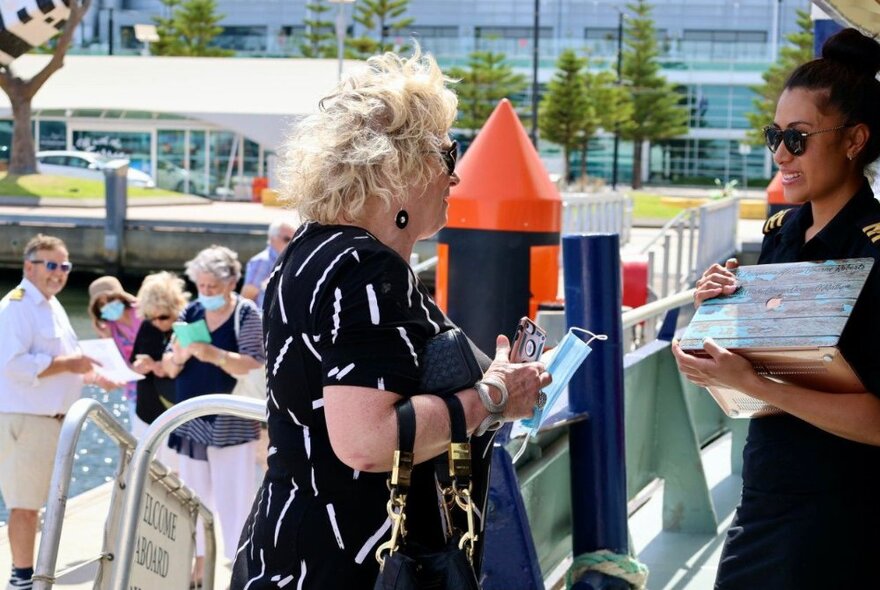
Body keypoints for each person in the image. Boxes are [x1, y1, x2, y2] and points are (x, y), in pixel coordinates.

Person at [230, 49, 551, 589]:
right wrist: (493, 396)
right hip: (355, 564)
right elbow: (367, 442)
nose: (456, 177)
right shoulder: (364, 266)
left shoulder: (310, 250)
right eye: (449, 154)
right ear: (403, 166)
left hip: (290, 550)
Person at [671, 28, 880, 589]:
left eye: (799, 137)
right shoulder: (782, 233)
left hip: (841, 516)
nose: (781, 153)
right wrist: (714, 325)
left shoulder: (874, 250)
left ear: (855, 139)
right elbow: (759, 374)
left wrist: (760, 386)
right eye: (774, 135)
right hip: (767, 490)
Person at [0, 234, 111, 590]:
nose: (59, 273)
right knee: (24, 505)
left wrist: (97, 377)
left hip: (52, 423)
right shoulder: (16, 306)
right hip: (28, 420)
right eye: (51, 265)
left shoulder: (51, 305)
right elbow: (14, 365)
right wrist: (70, 364)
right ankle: (21, 578)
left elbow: (70, 364)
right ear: (28, 266)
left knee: (38, 504)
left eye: (64, 266)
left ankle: (30, 572)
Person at [162, 245, 265, 586]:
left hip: (230, 420)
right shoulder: (191, 311)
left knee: (236, 500)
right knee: (194, 499)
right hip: (191, 420)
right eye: (201, 286)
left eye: (213, 287)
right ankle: (199, 568)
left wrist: (214, 355)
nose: (205, 293)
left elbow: (254, 363)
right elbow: (169, 367)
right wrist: (177, 356)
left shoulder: (246, 314)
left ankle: (239, 568)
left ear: (231, 282)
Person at [130, 271, 190, 471]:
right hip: (146, 410)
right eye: (150, 317)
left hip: (176, 414)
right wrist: (139, 365)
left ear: (175, 306)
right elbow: (133, 361)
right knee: (143, 470)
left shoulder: (187, 326)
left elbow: (194, 370)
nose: (156, 322)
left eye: (163, 317)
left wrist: (158, 367)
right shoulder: (148, 326)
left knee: (176, 475)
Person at [87, 276, 144, 434]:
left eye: (110, 300)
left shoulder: (142, 312)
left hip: (156, 382)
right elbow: (112, 365)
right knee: (140, 436)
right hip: (133, 390)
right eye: (101, 304)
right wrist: (105, 337)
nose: (107, 306)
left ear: (120, 297)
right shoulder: (109, 327)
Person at [240, 219, 297, 307]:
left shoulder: (288, 260)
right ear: (272, 238)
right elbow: (247, 298)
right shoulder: (262, 261)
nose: (291, 243)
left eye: (294, 239)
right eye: (287, 239)